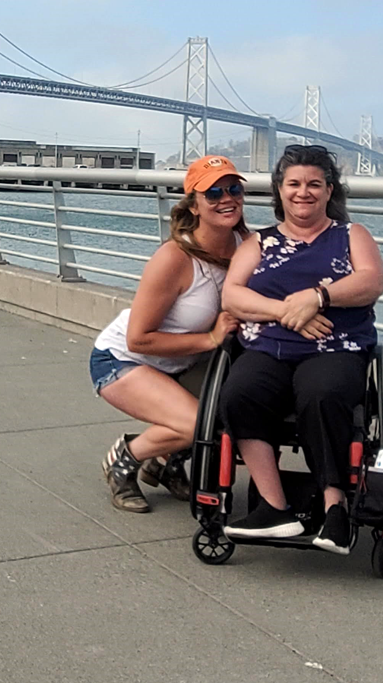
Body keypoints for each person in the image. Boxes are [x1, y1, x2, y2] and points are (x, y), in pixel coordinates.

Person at [219, 144, 383, 555]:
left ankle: (335, 507)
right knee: (239, 393)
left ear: (329, 190)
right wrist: (288, 311)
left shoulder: (351, 236)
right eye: (293, 183)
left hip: (335, 348)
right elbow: (232, 296)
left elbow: (371, 281)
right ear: (280, 190)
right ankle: (274, 508)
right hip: (269, 347)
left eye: (314, 184)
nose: (303, 192)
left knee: (321, 393)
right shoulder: (258, 242)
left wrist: (318, 297)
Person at [89, 155, 248, 513]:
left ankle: (163, 464)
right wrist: (210, 339)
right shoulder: (174, 258)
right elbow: (138, 338)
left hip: (182, 363)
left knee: (240, 402)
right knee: (194, 424)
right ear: (193, 205)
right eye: (213, 193)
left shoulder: (245, 243)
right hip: (123, 360)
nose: (226, 198)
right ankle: (125, 459)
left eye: (233, 189)